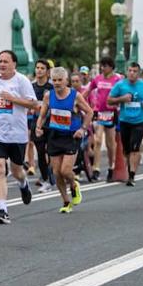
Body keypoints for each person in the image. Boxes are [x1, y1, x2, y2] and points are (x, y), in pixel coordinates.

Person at [0, 50, 37, 223]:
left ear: (14, 64)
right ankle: (2, 210)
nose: (2, 64)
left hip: (17, 135)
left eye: (6, 61)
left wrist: (12, 99)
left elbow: (33, 104)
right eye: (0, 61)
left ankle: (23, 184)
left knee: (16, 171)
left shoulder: (22, 81)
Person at [36, 66, 93, 212]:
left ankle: (74, 186)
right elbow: (42, 114)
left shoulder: (75, 96)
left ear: (66, 81)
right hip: (55, 135)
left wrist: (82, 129)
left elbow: (89, 112)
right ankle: (66, 202)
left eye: (60, 80)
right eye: (54, 80)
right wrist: (38, 127)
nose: (57, 83)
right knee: (56, 172)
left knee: (66, 171)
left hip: (71, 136)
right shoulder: (49, 96)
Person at [108, 63, 143, 185]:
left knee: (135, 148)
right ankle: (130, 170)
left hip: (140, 121)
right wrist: (121, 99)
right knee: (126, 150)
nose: (132, 73)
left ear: (138, 73)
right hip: (125, 121)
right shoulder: (120, 85)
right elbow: (109, 100)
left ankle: (132, 175)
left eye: (134, 71)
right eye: (130, 70)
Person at [83, 58, 122, 182]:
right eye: (101, 66)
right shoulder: (98, 79)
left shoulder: (118, 79)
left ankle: (111, 166)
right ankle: (96, 168)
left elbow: (122, 93)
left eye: (104, 66)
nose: (102, 68)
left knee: (110, 143)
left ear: (111, 67)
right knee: (98, 140)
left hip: (112, 112)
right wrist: (77, 100)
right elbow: (88, 90)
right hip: (99, 112)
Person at [28, 60, 52, 189]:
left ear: (47, 71)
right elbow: (27, 103)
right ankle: (46, 179)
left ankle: (53, 173)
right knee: (41, 152)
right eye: (37, 68)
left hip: (51, 124)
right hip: (36, 124)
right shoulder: (31, 87)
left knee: (52, 152)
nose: (39, 70)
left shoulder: (52, 87)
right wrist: (30, 107)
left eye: (42, 68)